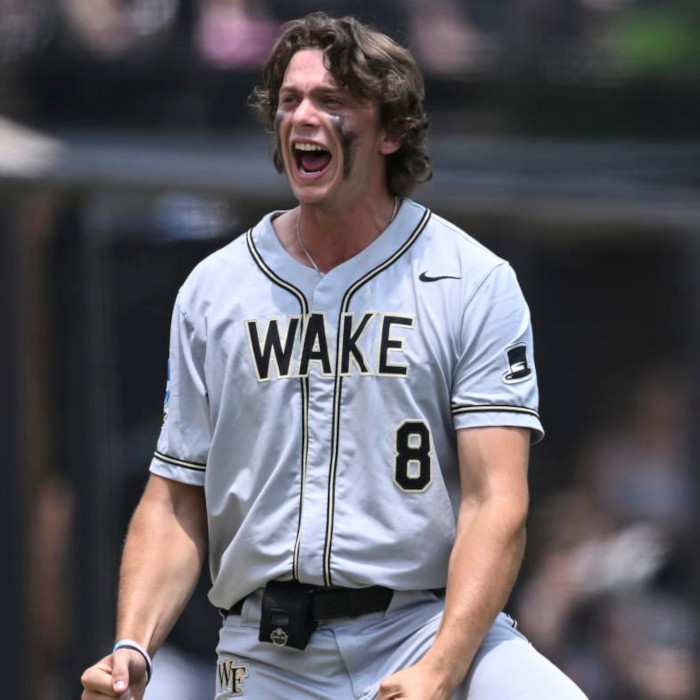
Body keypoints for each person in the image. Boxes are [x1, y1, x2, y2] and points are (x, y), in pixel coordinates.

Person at [81, 12, 587, 700]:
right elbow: (175, 498)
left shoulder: (472, 280)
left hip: (423, 626)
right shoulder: (214, 289)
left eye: (332, 100)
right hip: (267, 653)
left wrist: (441, 667)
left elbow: (496, 502)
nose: (302, 116)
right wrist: (132, 646)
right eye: (289, 100)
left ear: (391, 130)